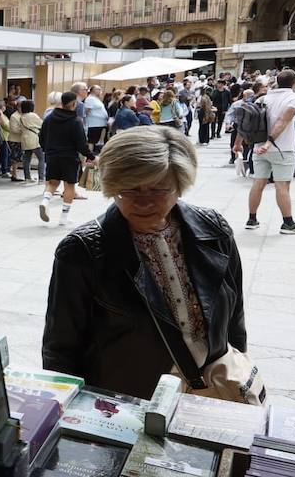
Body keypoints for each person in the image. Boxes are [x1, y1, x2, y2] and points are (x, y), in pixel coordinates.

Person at [41, 127, 246, 399]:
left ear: (180, 185)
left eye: (159, 189)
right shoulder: (82, 251)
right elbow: (61, 349)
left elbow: (235, 317)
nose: (143, 202)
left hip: (213, 389)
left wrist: (240, 367)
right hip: (128, 398)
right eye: (129, 190)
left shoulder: (214, 230)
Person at [237, 69, 295, 234]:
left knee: (258, 182)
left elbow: (247, 121)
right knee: (282, 185)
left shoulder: (263, 98)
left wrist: (238, 143)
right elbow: (283, 120)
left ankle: (252, 219)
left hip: (258, 148)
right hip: (282, 148)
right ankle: (288, 223)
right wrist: (269, 142)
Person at [39, 91, 97, 226]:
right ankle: (63, 218)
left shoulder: (49, 118)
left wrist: (47, 150)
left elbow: (41, 137)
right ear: (73, 104)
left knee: (53, 183)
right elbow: (82, 144)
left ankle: (45, 201)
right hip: (69, 157)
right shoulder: (76, 121)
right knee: (69, 186)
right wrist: (91, 157)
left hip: (52, 156)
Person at [17, 99, 45, 182]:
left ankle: (27, 177)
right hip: (34, 137)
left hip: (24, 138)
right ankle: (41, 178)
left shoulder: (21, 116)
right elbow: (41, 124)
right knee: (41, 158)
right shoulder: (33, 115)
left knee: (27, 158)